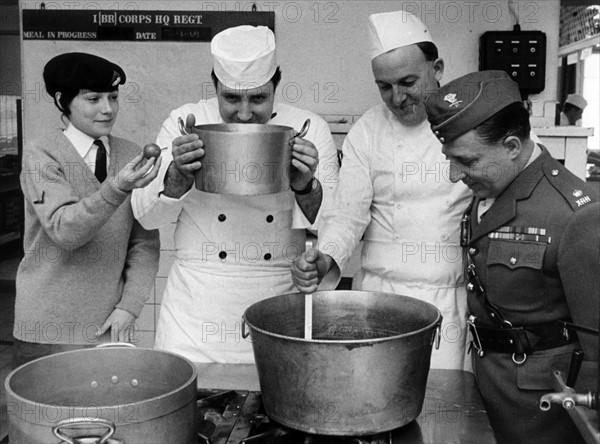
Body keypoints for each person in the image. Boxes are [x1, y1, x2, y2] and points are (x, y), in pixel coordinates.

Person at [131, 25, 339, 364]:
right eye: (231, 98)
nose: (244, 113)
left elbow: (331, 222)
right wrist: (178, 174)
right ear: (215, 87)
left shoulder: (308, 127)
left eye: (258, 98)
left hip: (275, 306)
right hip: (195, 313)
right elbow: (146, 215)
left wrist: (304, 184)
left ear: (276, 87)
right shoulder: (186, 123)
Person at [424, 70, 599, 444]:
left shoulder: (574, 213)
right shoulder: (491, 188)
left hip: (543, 412)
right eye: (449, 159)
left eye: (466, 161)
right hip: (486, 388)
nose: (455, 174)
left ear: (512, 146)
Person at [290, 10, 472, 370]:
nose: (398, 97)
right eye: (385, 87)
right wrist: (325, 257)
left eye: (408, 82)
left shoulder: (472, 119)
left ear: (437, 69)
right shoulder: (368, 131)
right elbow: (348, 214)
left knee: (439, 409)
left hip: (447, 305)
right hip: (376, 299)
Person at [14, 52, 161, 367]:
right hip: (45, 330)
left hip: (108, 328)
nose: (107, 109)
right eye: (93, 99)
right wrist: (117, 187)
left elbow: (144, 243)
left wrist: (129, 307)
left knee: (109, 413)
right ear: (62, 100)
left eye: (113, 97)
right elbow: (65, 230)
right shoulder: (40, 155)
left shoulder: (130, 155)